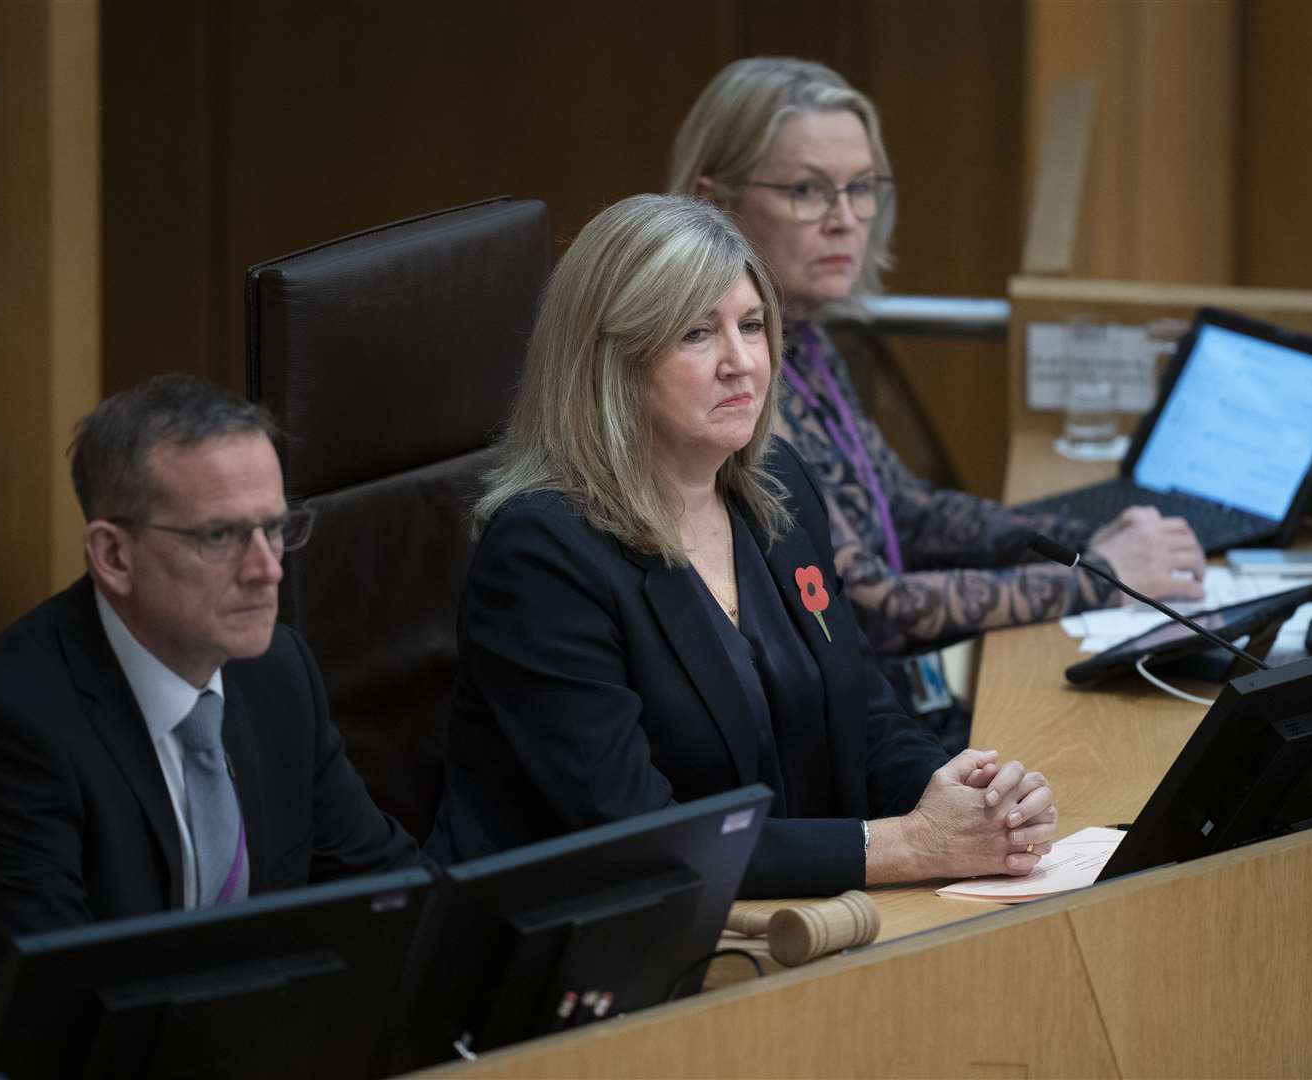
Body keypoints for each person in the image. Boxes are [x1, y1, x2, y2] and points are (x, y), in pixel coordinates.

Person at [426, 194, 1056, 899]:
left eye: (751, 326)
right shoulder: (542, 557)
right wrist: (908, 845)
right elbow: (642, 837)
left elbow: (860, 709)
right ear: (609, 363)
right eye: (696, 334)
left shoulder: (777, 487)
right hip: (597, 955)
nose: (741, 362)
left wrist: (967, 800)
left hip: (782, 912)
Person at [669, 58, 1207, 743]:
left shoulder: (806, 339)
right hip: (841, 735)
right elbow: (870, 607)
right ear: (715, 202)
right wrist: (1100, 577)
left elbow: (911, 514)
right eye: (808, 190)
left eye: (861, 189)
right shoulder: (731, 383)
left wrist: (1087, 539)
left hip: (898, 705)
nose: (844, 220)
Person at [0, 375, 421, 1061]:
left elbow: (392, 894)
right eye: (220, 536)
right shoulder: (7, 733)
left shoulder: (274, 673)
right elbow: (62, 1030)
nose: (267, 569)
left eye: (275, 528)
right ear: (113, 555)